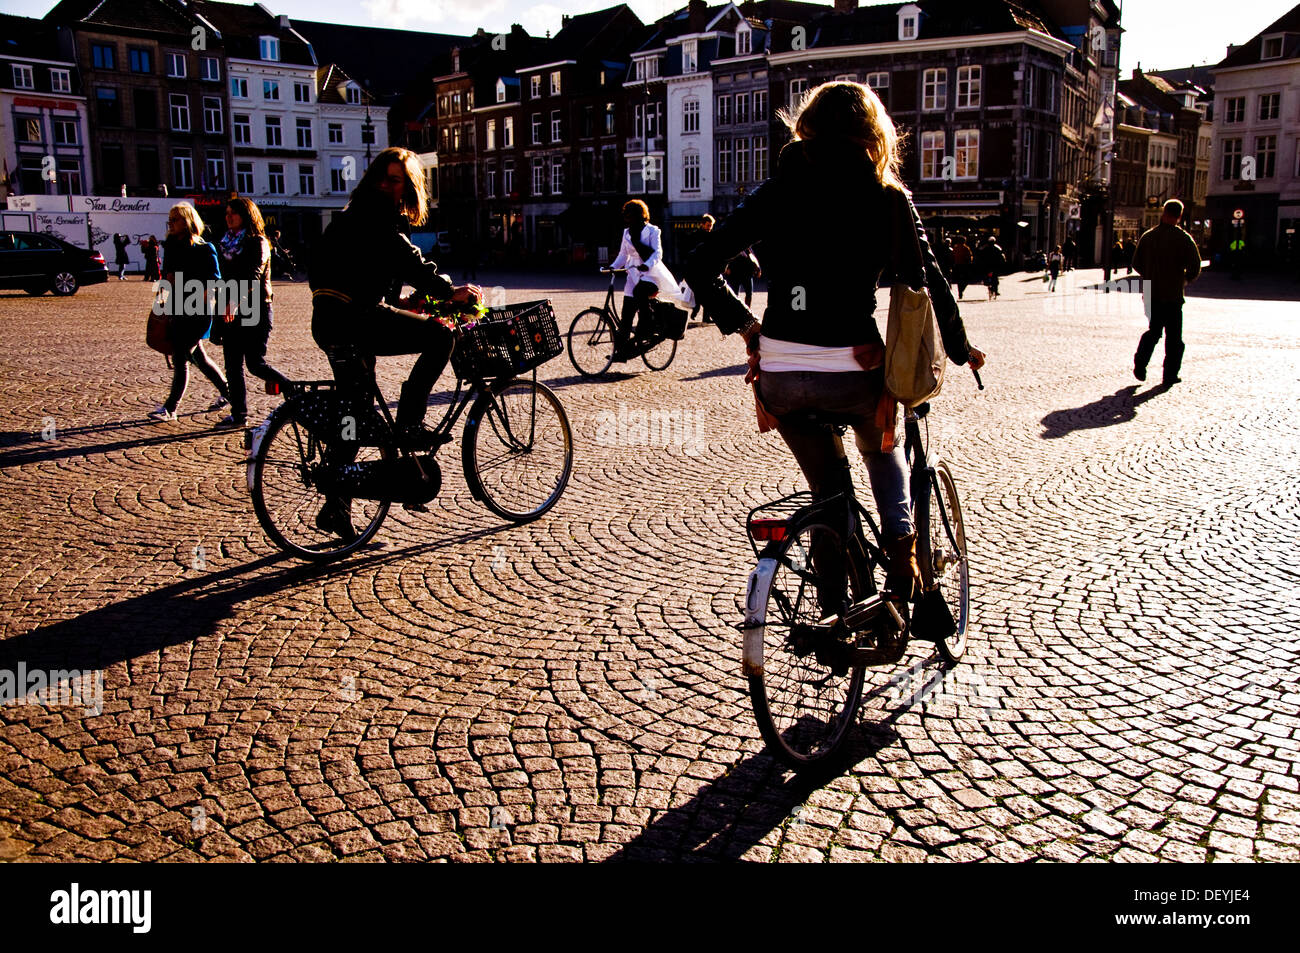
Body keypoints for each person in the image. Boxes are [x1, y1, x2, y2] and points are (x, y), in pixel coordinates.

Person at [685, 81, 985, 607]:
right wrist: (959, 349)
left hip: (782, 372)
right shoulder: (888, 197)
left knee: (829, 492)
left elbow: (701, 266)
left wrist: (750, 329)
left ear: (807, 129)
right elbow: (930, 280)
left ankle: (832, 607)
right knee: (882, 448)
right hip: (854, 367)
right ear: (874, 134)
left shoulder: (776, 191)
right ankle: (905, 565)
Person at [309, 147, 479, 536]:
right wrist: (450, 290)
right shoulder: (377, 216)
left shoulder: (350, 215)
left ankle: (336, 507)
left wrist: (396, 302)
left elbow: (338, 272)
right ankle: (410, 423)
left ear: (407, 185)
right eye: (385, 177)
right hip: (357, 319)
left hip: (330, 321)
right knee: (441, 334)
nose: (388, 184)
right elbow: (409, 261)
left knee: (354, 412)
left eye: (395, 179)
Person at [214, 197, 294, 429]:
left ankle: (292, 391)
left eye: (234, 213)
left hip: (255, 309)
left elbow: (253, 275)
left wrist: (235, 302)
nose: (228, 217)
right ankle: (239, 415)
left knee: (255, 363)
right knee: (232, 365)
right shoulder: (225, 243)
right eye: (227, 212)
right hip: (230, 309)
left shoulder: (257, 242)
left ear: (247, 216)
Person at [149, 204, 230, 421]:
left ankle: (170, 408)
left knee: (181, 357)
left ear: (187, 220)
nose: (172, 223)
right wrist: (162, 309)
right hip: (177, 309)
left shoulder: (204, 248)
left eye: (176, 219)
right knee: (199, 357)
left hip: (198, 311)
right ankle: (228, 391)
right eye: (170, 219)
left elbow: (215, 280)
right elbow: (166, 278)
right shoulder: (171, 246)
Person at [1132, 199, 1201, 386]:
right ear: (1179, 216)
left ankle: (1140, 362)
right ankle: (1169, 375)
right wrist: (1183, 280)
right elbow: (1195, 266)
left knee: (1153, 332)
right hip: (1173, 296)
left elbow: (1136, 263)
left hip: (1152, 293)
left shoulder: (1148, 236)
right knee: (1174, 339)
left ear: (1163, 213)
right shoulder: (1184, 239)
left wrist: (1150, 274)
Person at [608, 199, 681, 353]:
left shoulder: (654, 231)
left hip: (651, 274)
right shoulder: (626, 233)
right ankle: (622, 350)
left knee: (639, 292)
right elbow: (623, 254)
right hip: (633, 273)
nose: (628, 220)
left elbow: (658, 253)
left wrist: (647, 264)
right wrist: (613, 267)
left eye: (631, 216)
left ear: (639, 216)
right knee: (626, 312)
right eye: (626, 217)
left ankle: (646, 327)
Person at [688, 214, 715, 325]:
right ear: (702, 224)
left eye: (711, 226)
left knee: (706, 293)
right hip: (699, 268)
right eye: (708, 225)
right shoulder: (697, 236)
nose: (709, 228)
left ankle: (704, 315)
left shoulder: (710, 236)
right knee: (703, 293)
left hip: (705, 268)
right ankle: (698, 310)